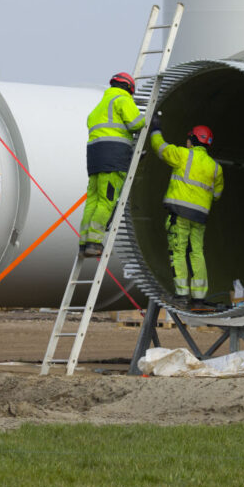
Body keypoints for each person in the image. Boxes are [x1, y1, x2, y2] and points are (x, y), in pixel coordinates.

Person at [149, 114, 224, 309]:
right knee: (197, 252)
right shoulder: (216, 168)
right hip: (199, 217)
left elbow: (160, 147)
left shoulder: (183, 154)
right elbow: (217, 194)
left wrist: (155, 128)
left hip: (179, 213)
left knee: (178, 251)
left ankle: (181, 295)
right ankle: (198, 298)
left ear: (192, 139)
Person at [80, 71, 145, 257]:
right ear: (129, 89)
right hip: (113, 159)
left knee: (92, 200)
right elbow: (136, 124)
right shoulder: (122, 100)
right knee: (107, 201)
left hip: (94, 160)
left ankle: (84, 242)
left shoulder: (99, 107)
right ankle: (94, 242)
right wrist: (151, 120)